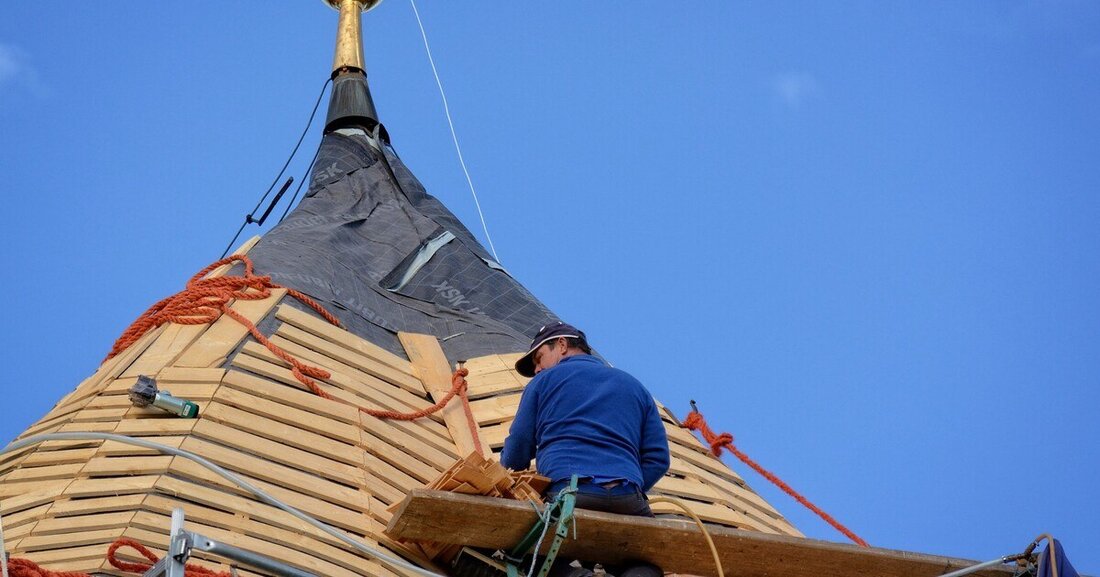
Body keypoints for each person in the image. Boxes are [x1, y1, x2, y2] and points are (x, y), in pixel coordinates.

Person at [501, 321, 670, 517]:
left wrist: (507, 482)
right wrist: (629, 488)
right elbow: (658, 458)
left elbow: (519, 444)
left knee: (516, 544)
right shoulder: (635, 386)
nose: (538, 369)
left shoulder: (543, 382)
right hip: (628, 498)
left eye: (539, 358)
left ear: (562, 345)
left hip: (568, 492)